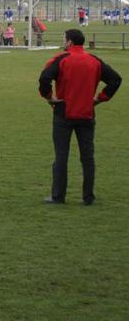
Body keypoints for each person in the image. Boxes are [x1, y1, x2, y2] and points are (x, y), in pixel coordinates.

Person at [38, 29, 121, 205]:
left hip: (63, 113)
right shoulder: (94, 61)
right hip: (86, 113)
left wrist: (49, 97)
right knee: (87, 157)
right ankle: (88, 197)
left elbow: (45, 77)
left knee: (61, 156)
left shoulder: (61, 59)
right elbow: (115, 80)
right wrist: (100, 98)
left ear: (69, 42)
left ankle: (58, 196)